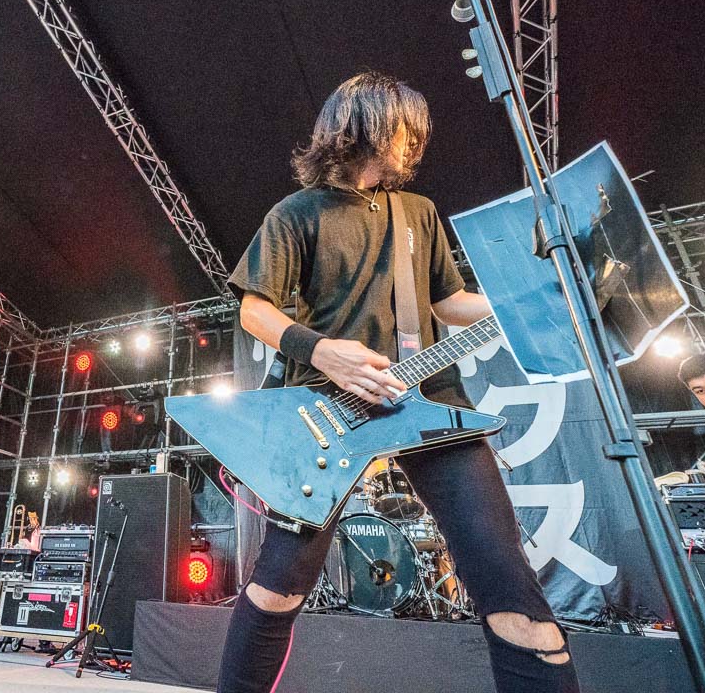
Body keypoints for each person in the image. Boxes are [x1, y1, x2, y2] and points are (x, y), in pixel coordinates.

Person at [218, 72, 579, 693]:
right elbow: (255, 309)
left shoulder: (419, 212)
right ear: (361, 122)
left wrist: (523, 303)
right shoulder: (295, 213)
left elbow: (449, 302)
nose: (416, 142)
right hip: (325, 415)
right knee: (279, 587)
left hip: (431, 403)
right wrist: (323, 352)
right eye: (406, 128)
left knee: (511, 591)